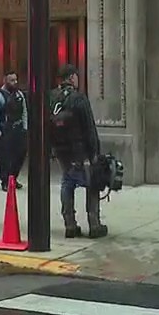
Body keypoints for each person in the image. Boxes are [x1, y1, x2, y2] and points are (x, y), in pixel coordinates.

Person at [49, 64, 107, 239]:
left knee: (67, 182)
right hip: (79, 150)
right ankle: (94, 224)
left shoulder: (52, 97)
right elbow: (89, 127)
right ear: (72, 77)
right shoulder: (79, 99)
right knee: (92, 184)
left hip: (61, 149)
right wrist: (95, 151)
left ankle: (70, 224)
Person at [0, 70, 28, 191]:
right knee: (5, 158)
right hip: (6, 131)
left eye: (16, 80)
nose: (15, 82)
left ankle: (13, 178)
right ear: (5, 80)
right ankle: (5, 181)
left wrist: (25, 127)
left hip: (19, 130)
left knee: (20, 155)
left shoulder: (19, 95)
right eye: (12, 80)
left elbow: (24, 112)